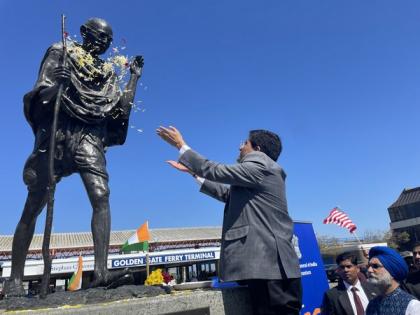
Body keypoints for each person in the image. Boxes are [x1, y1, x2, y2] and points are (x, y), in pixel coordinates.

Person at [4, 18, 144, 296]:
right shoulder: (61, 51)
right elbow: (39, 93)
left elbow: (118, 110)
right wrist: (60, 87)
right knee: (33, 205)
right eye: (99, 36)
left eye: (107, 41)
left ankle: (101, 271)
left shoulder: (106, 71)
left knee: (101, 194)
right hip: (59, 132)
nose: (103, 43)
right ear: (83, 33)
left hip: (89, 135)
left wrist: (134, 78)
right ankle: (15, 278)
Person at [156, 126, 302, 315]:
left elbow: (216, 170)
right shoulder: (259, 173)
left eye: (244, 143)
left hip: (270, 271)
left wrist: (181, 146)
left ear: (257, 149)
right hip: (269, 271)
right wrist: (194, 173)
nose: (240, 147)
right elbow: (228, 194)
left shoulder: (261, 165)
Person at [365, 246, 420, 315]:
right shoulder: (371, 305)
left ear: (392, 271)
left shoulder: (412, 306)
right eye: (368, 266)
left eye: (375, 266)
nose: (369, 270)